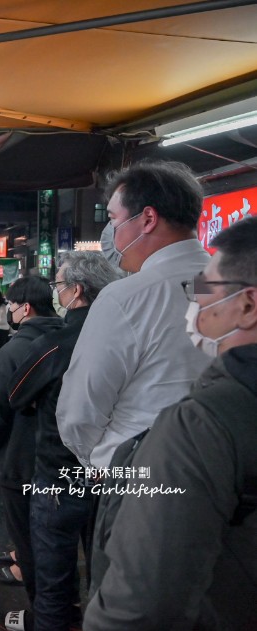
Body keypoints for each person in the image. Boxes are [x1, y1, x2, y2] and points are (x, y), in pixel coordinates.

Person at [84, 216, 257, 630]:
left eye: (202, 291)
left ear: (247, 305)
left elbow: (141, 602)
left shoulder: (200, 423)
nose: (194, 304)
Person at [57, 160, 212, 470]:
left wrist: (100, 461)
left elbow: (80, 412)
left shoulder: (125, 298)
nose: (111, 235)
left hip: (144, 474)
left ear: (148, 218)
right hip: (228, 474)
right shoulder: (237, 286)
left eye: (113, 220)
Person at [6, 252, 122, 631]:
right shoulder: (127, 335)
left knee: (54, 577)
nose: (56, 292)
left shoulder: (58, 342)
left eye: (58, 285)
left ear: (76, 290)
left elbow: (17, 395)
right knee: (106, 571)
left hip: (59, 474)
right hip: (115, 473)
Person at [0, 277, 63, 621]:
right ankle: (63, 609)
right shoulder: (67, 339)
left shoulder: (14, 351)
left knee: (30, 541)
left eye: (11, 306)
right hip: (60, 457)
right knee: (54, 538)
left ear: (25, 308)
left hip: (19, 459)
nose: (8, 311)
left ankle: (41, 615)